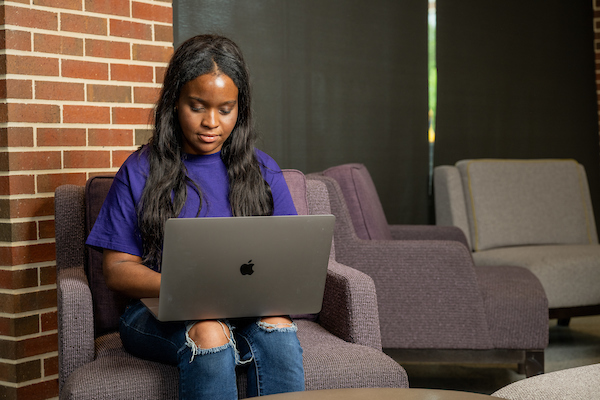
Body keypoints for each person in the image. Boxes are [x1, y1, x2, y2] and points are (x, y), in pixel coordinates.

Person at [86, 34, 305, 399]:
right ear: (174, 103)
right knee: (209, 331)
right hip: (157, 313)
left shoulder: (262, 169)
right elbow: (117, 269)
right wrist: (190, 290)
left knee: (278, 327)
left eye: (225, 109)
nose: (211, 122)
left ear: (240, 110)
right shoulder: (141, 168)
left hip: (245, 310)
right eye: (197, 106)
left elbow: (292, 257)